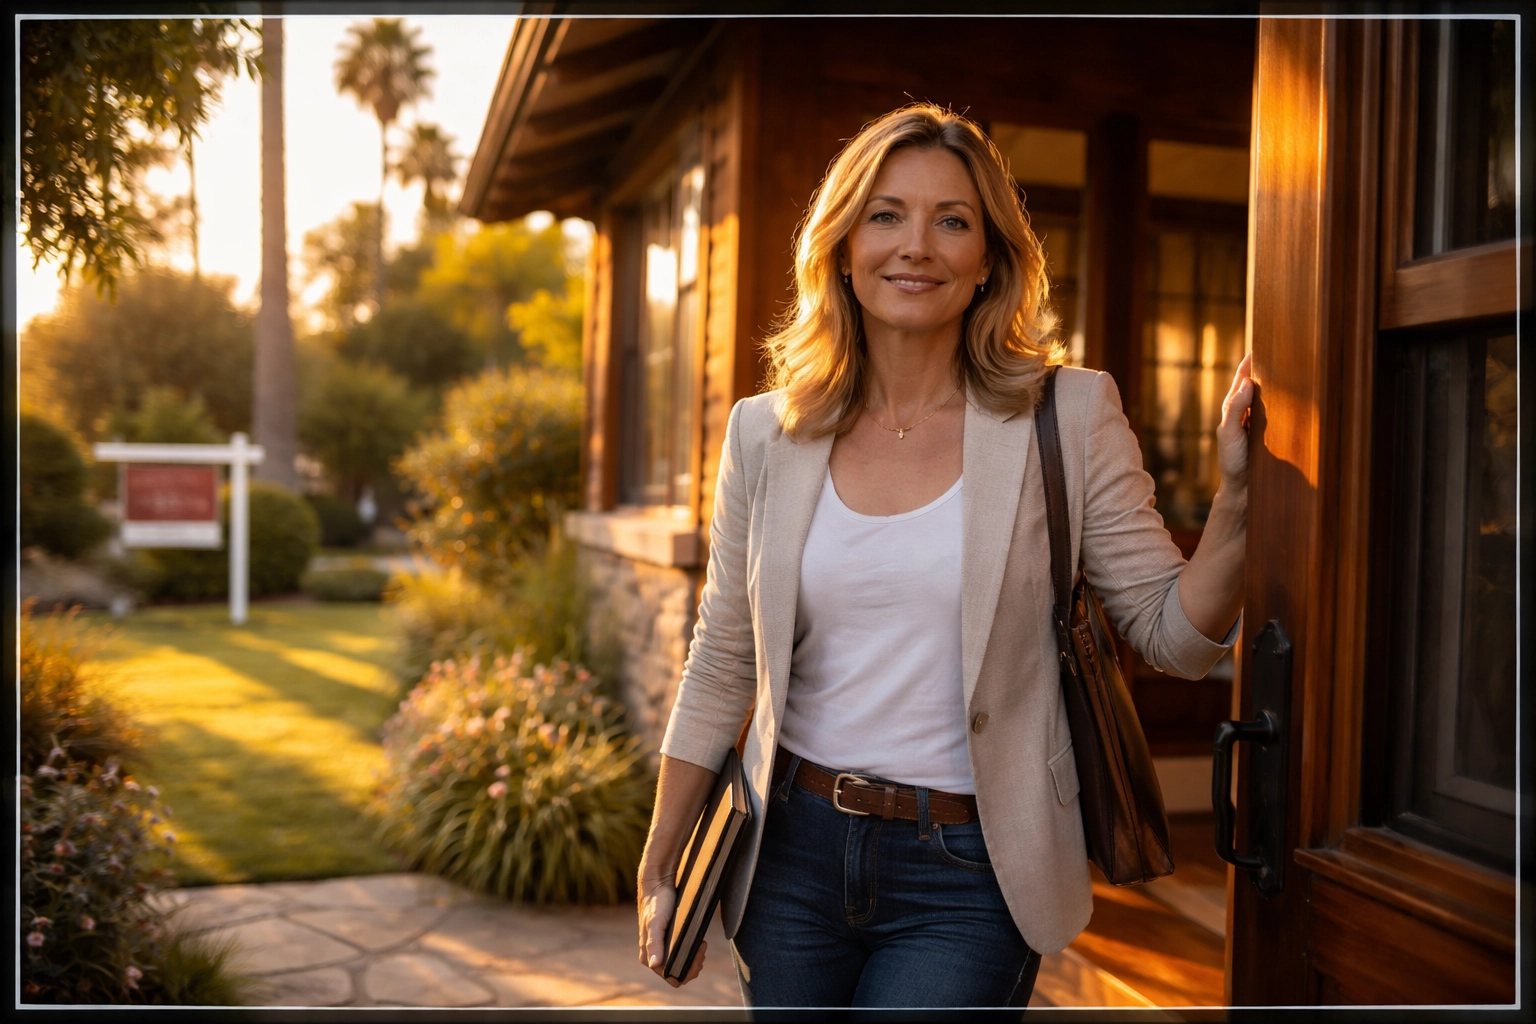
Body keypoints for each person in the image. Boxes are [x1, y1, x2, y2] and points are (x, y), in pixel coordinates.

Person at [635, 103, 1251, 1009]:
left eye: (951, 220)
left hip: (970, 869)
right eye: (886, 215)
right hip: (787, 857)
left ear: (990, 259)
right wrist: (660, 863)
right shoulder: (766, 433)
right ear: (843, 247)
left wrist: (1238, 500)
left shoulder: (1067, 415)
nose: (915, 245)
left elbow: (1174, 637)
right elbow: (723, 658)